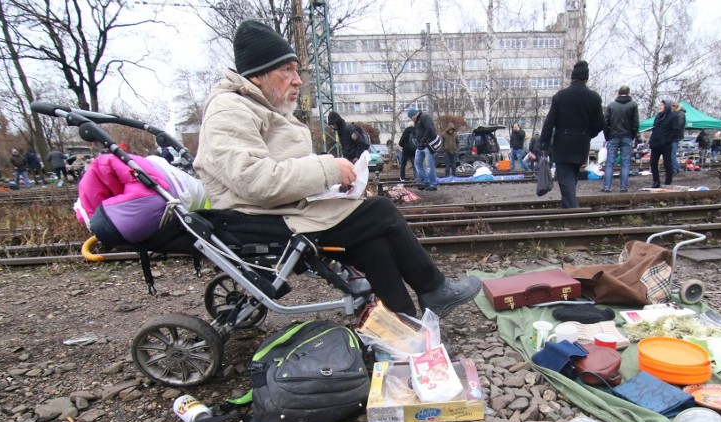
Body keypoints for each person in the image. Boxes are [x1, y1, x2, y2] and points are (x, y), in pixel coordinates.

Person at [193, 20, 480, 318]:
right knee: (381, 211)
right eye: (287, 71)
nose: (298, 80)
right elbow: (254, 180)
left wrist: (329, 184)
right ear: (257, 77)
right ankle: (434, 290)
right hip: (253, 217)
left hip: (279, 209)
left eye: (296, 70)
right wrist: (327, 170)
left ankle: (405, 324)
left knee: (374, 242)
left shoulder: (262, 106)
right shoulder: (230, 110)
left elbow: (278, 170)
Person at [538, 60, 604, 209]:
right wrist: (588, 134)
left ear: (572, 77)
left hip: (563, 143)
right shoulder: (594, 97)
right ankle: (567, 207)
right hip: (582, 143)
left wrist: (544, 143)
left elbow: (549, 122)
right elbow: (600, 124)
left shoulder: (561, 96)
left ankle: (573, 211)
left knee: (565, 178)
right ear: (586, 78)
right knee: (571, 176)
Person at [602, 85, 639, 193]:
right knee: (625, 162)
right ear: (629, 93)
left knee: (610, 162)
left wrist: (607, 136)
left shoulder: (611, 105)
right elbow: (635, 123)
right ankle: (623, 187)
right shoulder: (633, 105)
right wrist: (632, 135)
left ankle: (607, 186)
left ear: (618, 93)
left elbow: (605, 123)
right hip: (627, 136)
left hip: (613, 136)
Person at [408, 107, 439, 191]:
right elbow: (418, 131)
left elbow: (430, 129)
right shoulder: (417, 120)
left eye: (411, 118)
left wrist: (423, 140)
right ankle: (424, 181)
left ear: (414, 114)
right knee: (417, 163)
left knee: (429, 165)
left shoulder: (425, 117)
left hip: (428, 144)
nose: (411, 120)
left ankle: (433, 184)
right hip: (420, 145)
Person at [648, 100, 675, 188]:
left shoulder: (672, 117)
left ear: (666, 106)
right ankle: (656, 181)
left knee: (667, 163)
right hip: (655, 143)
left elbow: (675, 131)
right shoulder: (657, 117)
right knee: (653, 162)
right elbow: (654, 129)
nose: (659, 106)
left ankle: (668, 181)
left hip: (665, 144)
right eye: (659, 105)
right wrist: (651, 141)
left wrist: (667, 140)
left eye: (662, 105)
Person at [669, 102, 686, 174]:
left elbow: (678, 125)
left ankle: (675, 169)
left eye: (673, 106)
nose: (671, 107)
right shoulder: (679, 113)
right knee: (672, 153)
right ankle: (676, 168)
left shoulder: (679, 114)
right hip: (675, 136)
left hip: (675, 136)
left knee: (672, 153)